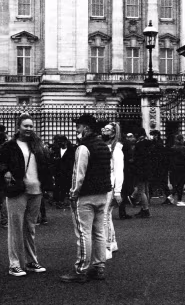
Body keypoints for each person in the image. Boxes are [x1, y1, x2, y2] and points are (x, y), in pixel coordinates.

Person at [0, 113, 52, 277]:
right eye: (25, 126)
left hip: (36, 190)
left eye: (30, 126)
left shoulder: (37, 145)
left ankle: (30, 261)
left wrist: (48, 187)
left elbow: (46, 167)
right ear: (18, 127)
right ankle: (14, 264)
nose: (29, 129)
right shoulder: (9, 146)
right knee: (15, 229)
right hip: (18, 190)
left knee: (30, 228)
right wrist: (5, 171)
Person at [60, 114, 112, 283]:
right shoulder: (104, 146)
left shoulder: (83, 147)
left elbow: (78, 174)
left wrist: (73, 192)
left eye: (79, 126)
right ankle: (99, 267)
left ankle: (81, 269)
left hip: (86, 195)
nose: (77, 130)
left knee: (83, 233)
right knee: (99, 232)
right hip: (102, 194)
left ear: (86, 128)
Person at [101, 122, 124, 260]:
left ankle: (107, 247)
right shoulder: (107, 146)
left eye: (107, 130)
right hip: (105, 184)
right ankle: (113, 242)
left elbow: (119, 171)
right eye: (104, 128)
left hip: (110, 186)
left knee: (104, 217)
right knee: (107, 216)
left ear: (114, 133)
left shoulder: (116, 149)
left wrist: (117, 191)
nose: (104, 131)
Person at [132, 127, 153, 218]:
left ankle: (145, 209)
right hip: (148, 168)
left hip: (141, 169)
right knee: (146, 190)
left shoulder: (139, 144)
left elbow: (136, 158)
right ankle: (144, 207)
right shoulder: (149, 142)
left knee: (141, 191)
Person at [50, 135, 75, 209]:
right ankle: (59, 201)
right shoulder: (56, 150)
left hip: (68, 173)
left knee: (66, 187)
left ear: (64, 141)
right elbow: (52, 161)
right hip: (58, 173)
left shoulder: (72, 150)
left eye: (58, 142)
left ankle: (64, 201)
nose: (57, 144)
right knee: (58, 187)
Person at [148, 130, 171, 203]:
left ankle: (169, 198)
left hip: (159, 167)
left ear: (156, 135)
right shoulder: (157, 143)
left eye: (153, 135)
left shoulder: (158, 144)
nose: (152, 137)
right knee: (156, 183)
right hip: (158, 166)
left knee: (161, 183)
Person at [169, 134, 185, 206]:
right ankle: (179, 200)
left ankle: (172, 195)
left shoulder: (173, 147)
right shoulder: (182, 148)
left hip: (174, 168)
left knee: (177, 183)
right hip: (182, 167)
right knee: (181, 183)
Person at [120, 132, 136, 219]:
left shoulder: (117, 144)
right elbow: (130, 157)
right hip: (126, 169)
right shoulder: (127, 144)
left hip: (121, 168)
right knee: (124, 191)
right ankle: (122, 211)